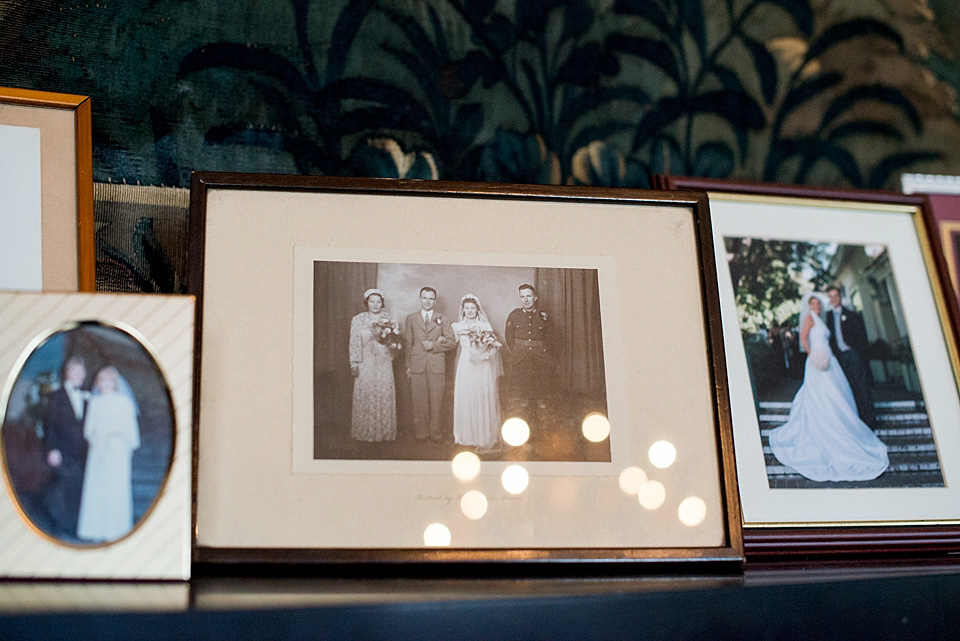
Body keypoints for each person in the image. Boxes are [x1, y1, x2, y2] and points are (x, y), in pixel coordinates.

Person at [767, 294, 888, 482]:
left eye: (818, 304)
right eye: (813, 304)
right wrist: (813, 355)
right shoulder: (809, 319)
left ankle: (845, 426)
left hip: (830, 361)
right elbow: (804, 340)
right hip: (817, 362)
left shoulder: (822, 320)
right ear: (808, 306)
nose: (816, 306)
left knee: (839, 395)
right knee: (823, 396)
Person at [77, 366, 141, 542]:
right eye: (101, 381)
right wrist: (96, 439)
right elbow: (88, 429)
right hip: (98, 450)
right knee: (97, 489)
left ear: (114, 383)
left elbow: (131, 431)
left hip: (117, 450)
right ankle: (95, 529)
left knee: (115, 488)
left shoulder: (124, 403)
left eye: (108, 381)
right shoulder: (95, 402)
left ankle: (116, 529)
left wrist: (114, 434)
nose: (104, 384)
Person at [41, 355, 89, 540]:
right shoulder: (56, 396)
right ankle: (58, 528)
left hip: (82, 454)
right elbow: (49, 425)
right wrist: (51, 449)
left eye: (81, 371)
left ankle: (72, 527)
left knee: (76, 489)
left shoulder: (87, 397)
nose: (78, 374)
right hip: (62, 451)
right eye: (74, 371)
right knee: (60, 489)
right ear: (68, 373)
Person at [403, 287, 455, 441]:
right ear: (420, 299)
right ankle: (422, 433)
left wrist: (435, 346)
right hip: (417, 364)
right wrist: (408, 366)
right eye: (424, 298)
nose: (427, 301)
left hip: (436, 365)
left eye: (431, 298)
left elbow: (452, 342)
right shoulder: (411, 318)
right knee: (419, 400)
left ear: (435, 301)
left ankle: (435, 433)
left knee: (437, 400)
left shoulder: (442, 318)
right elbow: (408, 344)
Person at [452, 295, 503, 452]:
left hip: (482, 365)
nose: (470, 311)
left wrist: (483, 355)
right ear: (463, 309)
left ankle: (484, 436)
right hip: (466, 365)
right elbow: (451, 343)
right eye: (467, 308)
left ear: (477, 309)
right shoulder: (457, 326)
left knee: (482, 396)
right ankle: (466, 436)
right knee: (466, 396)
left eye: (472, 308)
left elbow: (494, 347)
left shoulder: (485, 325)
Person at [349, 288, 399, 442]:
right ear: (367, 303)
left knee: (382, 393)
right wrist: (354, 362)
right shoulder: (358, 320)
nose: (375, 305)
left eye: (378, 302)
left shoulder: (389, 319)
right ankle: (365, 433)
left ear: (382, 303)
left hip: (383, 362)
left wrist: (391, 346)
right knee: (366, 393)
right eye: (372, 301)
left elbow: (395, 342)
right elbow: (354, 342)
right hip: (366, 362)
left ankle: (384, 433)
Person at [826, 286, 875, 428]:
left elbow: (861, 337)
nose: (834, 299)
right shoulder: (828, 317)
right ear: (829, 299)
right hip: (838, 357)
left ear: (840, 297)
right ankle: (856, 420)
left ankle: (870, 421)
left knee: (861, 386)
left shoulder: (852, 315)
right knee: (847, 388)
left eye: (836, 295)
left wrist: (859, 354)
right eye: (831, 296)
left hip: (852, 354)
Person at [504, 284, 555, 410]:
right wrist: (517, 350)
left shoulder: (543, 316)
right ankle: (524, 398)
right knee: (523, 377)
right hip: (521, 353)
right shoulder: (514, 315)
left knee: (541, 376)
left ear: (535, 297)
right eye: (523, 297)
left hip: (540, 353)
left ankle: (540, 398)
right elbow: (509, 336)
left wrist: (543, 350)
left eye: (529, 296)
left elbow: (551, 338)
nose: (526, 300)